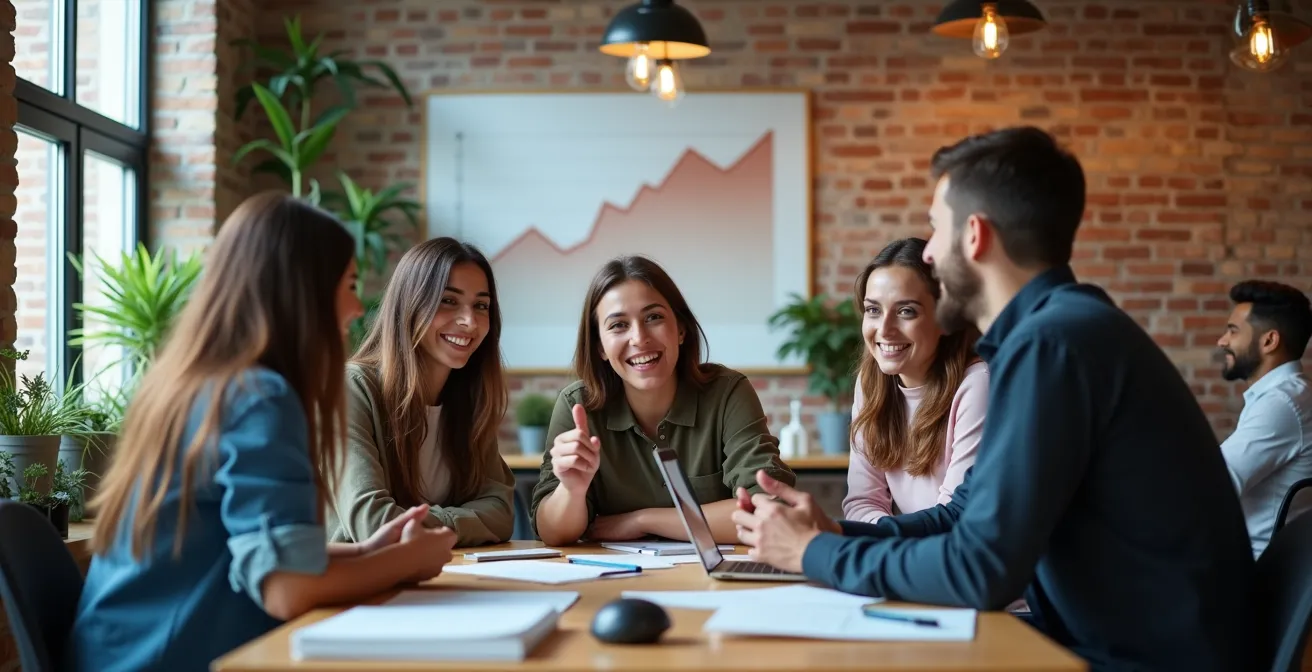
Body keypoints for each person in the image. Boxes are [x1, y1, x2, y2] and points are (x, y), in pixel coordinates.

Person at [731, 127, 1257, 672]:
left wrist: (813, 554)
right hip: (1109, 638)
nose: (930, 255)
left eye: (936, 229)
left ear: (974, 235)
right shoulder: (1063, 329)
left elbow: (978, 570)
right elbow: (965, 513)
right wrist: (836, 533)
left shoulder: (1052, 344)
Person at [67, 193, 457, 672]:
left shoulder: (198, 385)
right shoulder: (259, 398)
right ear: (303, 290)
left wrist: (368, 551)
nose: (358, 306)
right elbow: (288, 589)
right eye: (350, 283)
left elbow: (244, 549)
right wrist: (409, 562)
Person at [530, 255, 796, 547]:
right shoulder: (577, 405)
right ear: (600, 347)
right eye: (618, 325)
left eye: (653, 317)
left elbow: (769, 510)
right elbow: (552, 533)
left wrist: (642, 520)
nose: (639, 338)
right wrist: (571, 490)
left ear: (680, 329)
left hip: (711, 585)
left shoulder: (728, 393)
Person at [328, 237, 516, 547]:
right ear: (410, 303)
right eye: (448, 300)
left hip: (444, 578)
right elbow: (374, 523)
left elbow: (502, 513)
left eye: (481, 306)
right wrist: (465, 522)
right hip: (363, 588)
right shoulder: (352, 388)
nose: (469, 321)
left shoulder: (469, 400)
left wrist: (419, 525)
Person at [842, 237, 988, 523]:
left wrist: (881, 537)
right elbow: (862, 503)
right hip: (908, 554)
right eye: (873, 310)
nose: (884, 329)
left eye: (906, 311)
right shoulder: (871, 381)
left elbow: (953, 520)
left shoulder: (978, 384)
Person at [1216, 279, 1312, 558]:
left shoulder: (1282, 404)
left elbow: (1214, 485)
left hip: (1258, 578)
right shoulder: (1292, 396)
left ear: (1269, 340)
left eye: (1233, 331)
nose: (1222, 341)